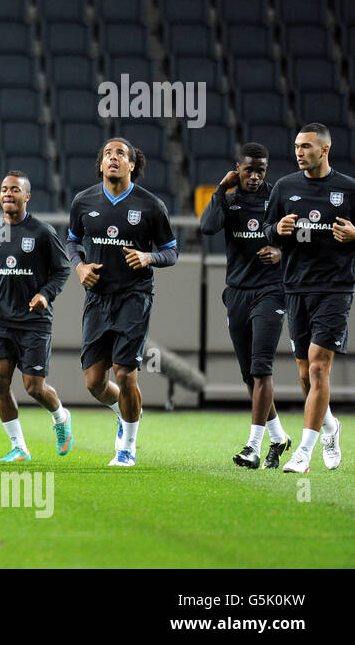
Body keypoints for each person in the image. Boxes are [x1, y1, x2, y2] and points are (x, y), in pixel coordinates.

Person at [66, 138, 178, 467]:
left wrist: (149, 257)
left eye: (121, 154)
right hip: (98, 298)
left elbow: (172, 251)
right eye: (108, 154)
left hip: (134, 295)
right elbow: (72, 242)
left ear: (132, 165)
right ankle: (124, 413)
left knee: (126, 373)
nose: (113, 158)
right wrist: (80, 266)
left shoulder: (151, 206)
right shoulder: (83, 201)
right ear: (101, 164)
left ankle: (127, 447)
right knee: (94, 382)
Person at [0, 172, 71, 462]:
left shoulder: (42, 232)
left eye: (15, 190)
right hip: (2, 321)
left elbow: (63, 270)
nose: (8, 194)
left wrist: (45, 294)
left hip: (34, 322)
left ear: (26, 196)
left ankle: (60, 417)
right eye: (4, 189)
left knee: (33, 387)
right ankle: (19, 447)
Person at [198, 143, 292, 468]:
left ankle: (253, 447)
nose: (254, 176)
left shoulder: (277, 196)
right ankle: (279, 437)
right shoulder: (229, 197)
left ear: (266, 171)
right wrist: (221, 189)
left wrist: (282, 253)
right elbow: (207, 226)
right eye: (248, 170)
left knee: (261, 368)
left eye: (260, 170)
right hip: (237, 292)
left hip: (271, 290)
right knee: (249, 377)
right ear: (237, 168)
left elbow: (299, 238)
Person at [264, 123, 347, 473]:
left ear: (324, 150)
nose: (299, 152)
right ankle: (330, 425)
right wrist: (277, 231)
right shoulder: (285, 187)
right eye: (297, 146)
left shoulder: (348, 189)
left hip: (335, 288)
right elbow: (266, 233)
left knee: (317, 365)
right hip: (296, 287)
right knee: (304, 374)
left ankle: (304, 452)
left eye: (306, 146)